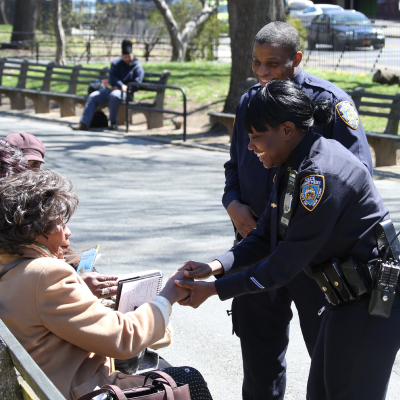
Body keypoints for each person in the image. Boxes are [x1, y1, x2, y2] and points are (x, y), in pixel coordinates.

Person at [175, 80, 400, 400]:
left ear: (287, 129)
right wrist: (213, 267)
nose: (250, 147)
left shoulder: (320, 176)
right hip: (347, 299)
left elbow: (282, 265)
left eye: (256, 137)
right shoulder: (294, 162)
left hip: (373, 303)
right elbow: (265, 233)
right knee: (321, 393)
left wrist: (212, 291)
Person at [210, 21, 373, 400]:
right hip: (254, 243)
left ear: (296, 59)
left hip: (311, 257)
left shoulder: (329, 103)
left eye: (273, 63)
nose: (263, 72)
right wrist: (232, 204)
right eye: (257, 64)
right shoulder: (251, 101)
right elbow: (234, 164)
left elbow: (355, 175)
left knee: (329, 361)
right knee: (258, 359)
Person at [0, 169, 192, 400]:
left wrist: (79, 289)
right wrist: (166, 296)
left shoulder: (11, 266)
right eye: (60, 223)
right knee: (189, 379)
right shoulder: (45, 273)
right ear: (32, 232)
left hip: (47, 385)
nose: (67, 232)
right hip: (80, 391)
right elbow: (123, 338)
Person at [1, 134, 120, 299]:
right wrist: (75, 283)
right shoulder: (8, 204)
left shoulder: (38, 197)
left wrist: (83, 269)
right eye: (25, 166)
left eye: (35, 166)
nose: (30, 172)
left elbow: (56, 242)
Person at [71, 39, 144, 131]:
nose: (127, 59)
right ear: (122, 56)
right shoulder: (116, 63)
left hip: (126, 93)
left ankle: (113, 123)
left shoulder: (137, 68)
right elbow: (112, 77)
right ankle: (84, 123)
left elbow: (136, 84)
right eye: (125, 57)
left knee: (114, 95)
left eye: (129, 56)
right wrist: (120, 85)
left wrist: (126, 87)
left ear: (132, 55)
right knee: (93, 96)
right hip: (111, 89)